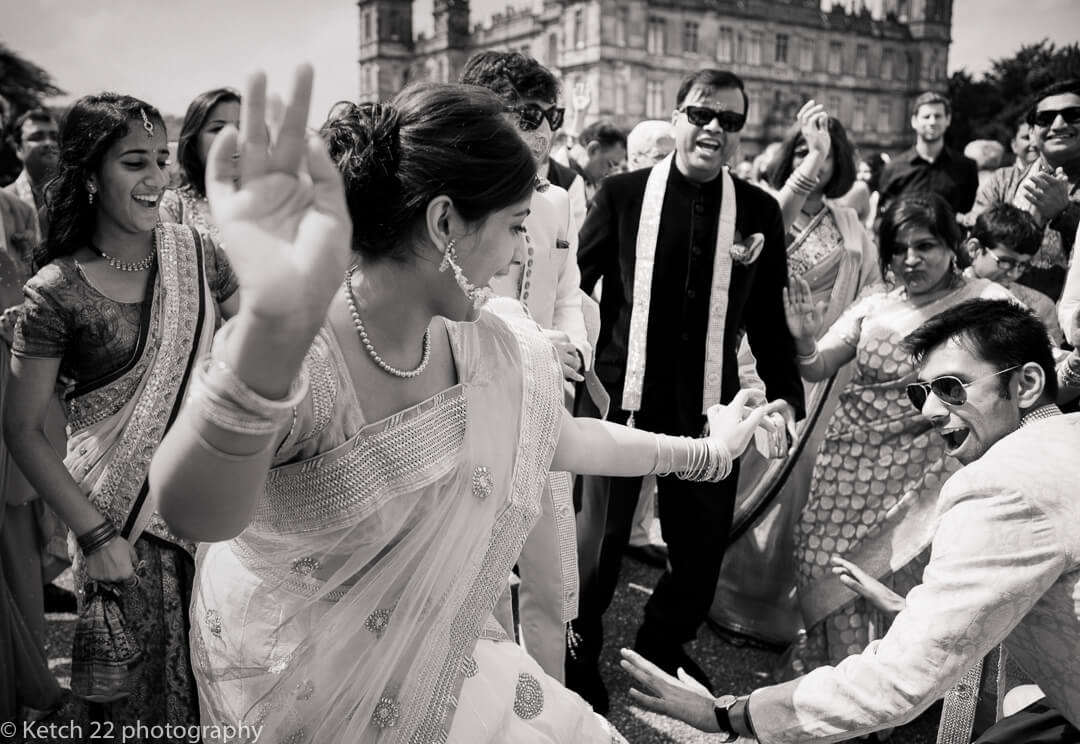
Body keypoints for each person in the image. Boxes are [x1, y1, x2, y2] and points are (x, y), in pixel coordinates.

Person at [148, 69, 784, 743]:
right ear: (445, 220)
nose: (515, 253)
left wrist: (710, 454)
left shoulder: (483, 339)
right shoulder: (302, 353)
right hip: (306, 688)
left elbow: (561, 439)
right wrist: (265, 346)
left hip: (441, 657)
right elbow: (194, 514)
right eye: (513, 227)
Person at [622, 297, 1080, 744]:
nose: (929, 411)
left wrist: (726, 713)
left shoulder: (1001, 485)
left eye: (952, 387)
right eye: (922, 392)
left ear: (1026, 384)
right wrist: (915, 613)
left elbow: (902, 678)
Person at [569, 68, 805, 713]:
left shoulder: (756, 211)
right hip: (620, 401)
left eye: (729, 121)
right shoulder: (620, 195)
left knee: (698, 559)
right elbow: (573, 289)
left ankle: (661, 650)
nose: (713, 129)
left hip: (711, 411)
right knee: (598, 551)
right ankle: (577, 658)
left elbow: (768, 322)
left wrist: (785, 393)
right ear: (675, 116)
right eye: (702, 114)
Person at [3, 92, 239, 735]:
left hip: (221, 524)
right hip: (123, 534)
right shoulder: (56, 290)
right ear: (87, 175)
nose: (157, 179)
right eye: (136, 162)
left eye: (161, 160)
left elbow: (257, 358)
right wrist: (96, 537)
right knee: (142, 707)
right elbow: (22, 430)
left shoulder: (199, 256)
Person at [776, 193, 1015, 686]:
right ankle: (834, 679)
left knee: (899, 572)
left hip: (929, 468)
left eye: (925, 245)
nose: (911, 259)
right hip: (848, 460)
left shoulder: (987, 302)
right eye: (899, 248)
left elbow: (1026, 371)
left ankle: (886, 688)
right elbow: (819, 364)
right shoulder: (875, 304)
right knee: (819, 561)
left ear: (955, 247)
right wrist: (801, 337)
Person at [710, 102, 880, 646]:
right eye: (804, 150)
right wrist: (806, 172)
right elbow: (754, 246)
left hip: (825, 370)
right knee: (748, 468)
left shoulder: (853, 225)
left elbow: (873, 290)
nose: (815, 162)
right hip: (761, 365)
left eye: (827, 156)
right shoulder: (766, 209)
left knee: (800, 487)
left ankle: (775, 608)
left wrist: (829, 339)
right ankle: (724, 597)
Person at [459, 50, 592, 681]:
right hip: (469, 411)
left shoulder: (559, 201)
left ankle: (548, 707)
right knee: (474, 578)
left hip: (545, 409)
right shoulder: (451, 201)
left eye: (553, 116)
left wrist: (575, 347)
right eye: (529, 114)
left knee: (549, 574)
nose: (544, 131)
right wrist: (540, 346)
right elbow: (465, 302)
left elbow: (569, 292)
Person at [975, 79, 1080, 302]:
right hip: (1002, 314)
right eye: (1046, 118)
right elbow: (975, 248)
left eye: (1073, 115)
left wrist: (1066, 215)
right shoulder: (1003, 181)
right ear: (1032, 132)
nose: (1059, 124)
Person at [963, 203, 1063, 345]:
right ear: (975, 249)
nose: (1014, 273)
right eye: (1005, 262)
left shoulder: (1039, 307)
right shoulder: (942, 293)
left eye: (1023, 265)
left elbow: (1053, 361)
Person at [878, 91, 979, 218]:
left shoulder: (966, 168)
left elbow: (968, 214)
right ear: (914, 121)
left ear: (948, 120)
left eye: (938, 116)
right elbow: (882, 217)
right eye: (926, 117)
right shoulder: (894, 168)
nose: (932, 122)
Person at [159, 87, 241, 240]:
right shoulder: (173, 206)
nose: (233, 137)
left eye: (242, 127)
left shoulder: (275, 203)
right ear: (194, 142)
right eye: (218, 128)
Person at [4, 109, 60, 242]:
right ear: (19, 149)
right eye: (37, 137)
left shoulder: (75, 201)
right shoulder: (4, 203)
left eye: (54, 137)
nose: (48, 143)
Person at [566, 120, 627, 208]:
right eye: (610, 165)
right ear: (593, 150)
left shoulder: (589, 183)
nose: (610, 173)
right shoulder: (555, 177)